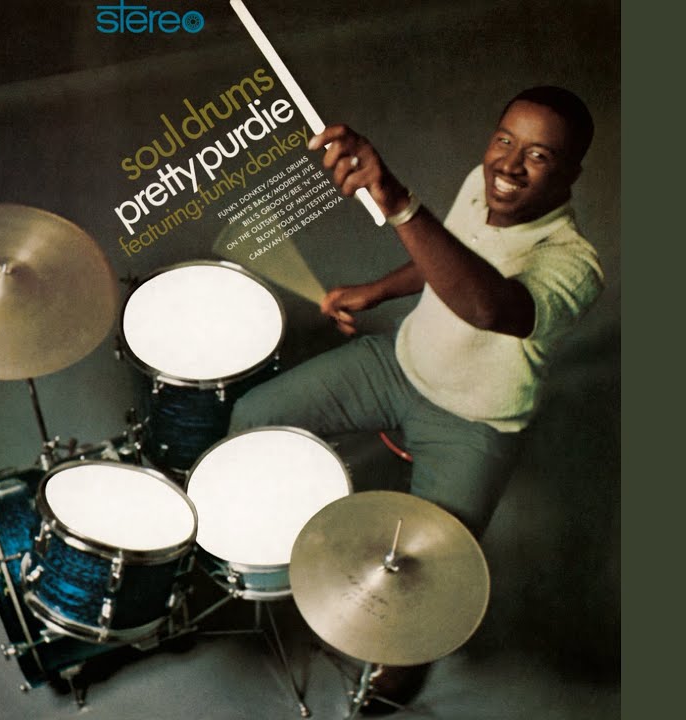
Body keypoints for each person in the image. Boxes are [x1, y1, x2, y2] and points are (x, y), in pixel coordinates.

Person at [227, 85, 604, 712]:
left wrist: (399, 203)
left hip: (475, 424)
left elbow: (489, 306)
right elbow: (449, 258)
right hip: (398, 367)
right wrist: (376, 291)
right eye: (504, 141)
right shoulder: (480, 185)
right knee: (254, 419)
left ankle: (388, 691)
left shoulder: (576, 265)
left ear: (570, 175)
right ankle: (271, 565)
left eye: (538, 156)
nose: (509, 166)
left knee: (424, 594)